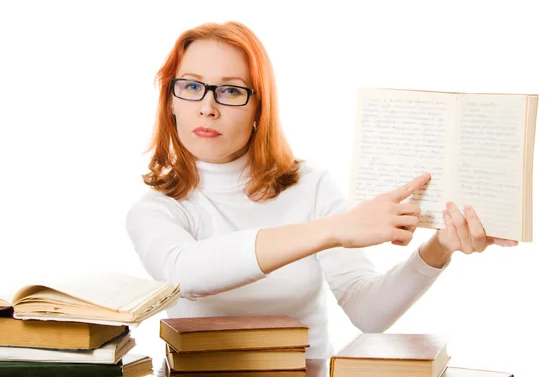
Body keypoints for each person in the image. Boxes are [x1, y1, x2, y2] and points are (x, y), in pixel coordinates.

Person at [125, 21, 518, 359]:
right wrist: (333, 230)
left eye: (230, 91)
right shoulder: (155, 211)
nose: (207, 107)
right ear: (171, 101)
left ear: (260, 109)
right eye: (191, 86)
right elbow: (186, 273)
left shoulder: (309, 186)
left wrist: (439, 249)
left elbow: (369, 314)